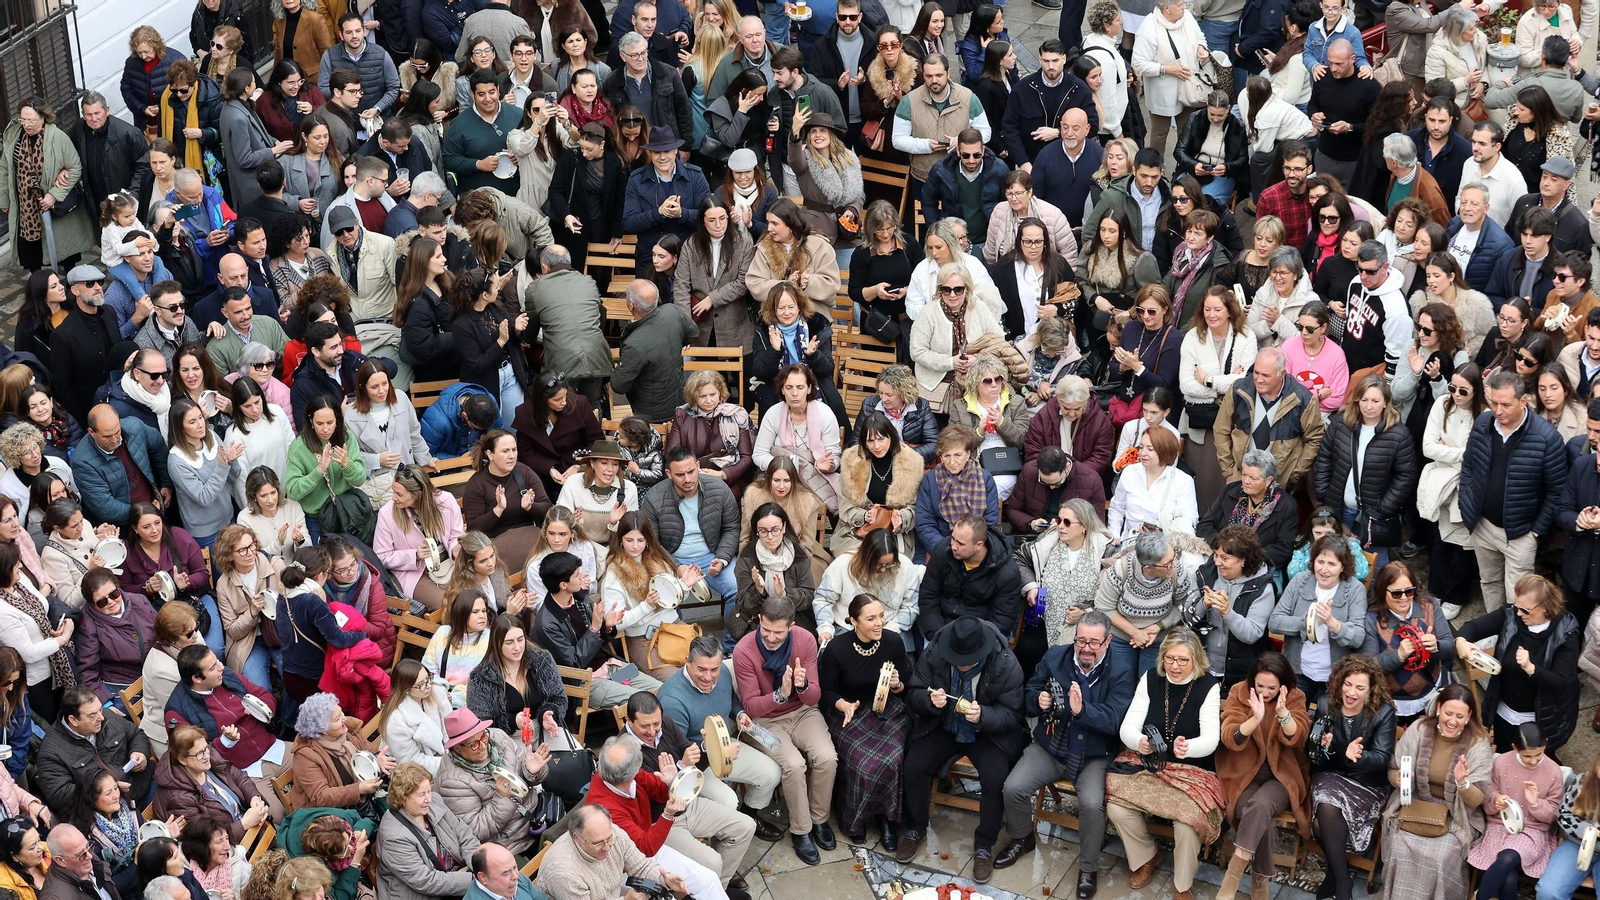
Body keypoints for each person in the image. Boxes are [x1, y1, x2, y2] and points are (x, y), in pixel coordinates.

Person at [992, 608, 1129, 896]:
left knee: (1092, 805)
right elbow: (1028, 690)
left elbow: (1117, 719)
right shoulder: (1056, 655)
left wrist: (1083, 711)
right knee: (1013, 788)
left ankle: (1089, 868)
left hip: (1094, 755)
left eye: (1093, 643)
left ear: (1107, 642)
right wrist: (1037, 699)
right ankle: (1022, 838)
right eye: (1081, 641)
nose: (1086, 648)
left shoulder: (1122, 669)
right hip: (1052, 746)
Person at [1106, 627, 1222, 896]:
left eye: (1183, 660)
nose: (1175, 666)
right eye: (1170, 658)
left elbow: (1211, 739)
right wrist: (1139, 742)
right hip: (1150, 763)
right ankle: (1147, 856)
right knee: (1117, 808)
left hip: (1192, 768)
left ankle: (1183, 885)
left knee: (1187, 823)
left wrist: (1188, 747)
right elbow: (1128, 726)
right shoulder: (1151, 679)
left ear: (1196, 659)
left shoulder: (1208, 686)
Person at [728, 597, 835, 865]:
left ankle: (819, 819)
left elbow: (813, 698)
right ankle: (802, 831)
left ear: (791, 626)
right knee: (794, 764)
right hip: (763, 722)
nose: (771, 637)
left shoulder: (805, 640)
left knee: (826, 757)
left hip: (803, 712)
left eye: (778, 632)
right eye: (766, 630)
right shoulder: (744, 650)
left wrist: (802, 685)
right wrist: (780, 694)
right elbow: (751, 707)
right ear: (759, 622)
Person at [1459, 370, 1568, 614]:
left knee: (1518, 596)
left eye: (1506, 404)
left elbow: (1556, 491)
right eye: (1494, 403)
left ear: (1523, 401)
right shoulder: (1483, 424)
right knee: (1489, 582)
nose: (1499, 411)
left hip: (1521, 533)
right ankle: (1493, 634)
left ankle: (1513, 642)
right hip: (1482, 524)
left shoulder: (1547, 438)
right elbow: (1468, 466)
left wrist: (1536, 533)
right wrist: (1466, 502)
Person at [1375, 682, 1492, 900]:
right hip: (1415, 804)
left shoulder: (1478, 744)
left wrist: (1463, 782)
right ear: (1438, 709)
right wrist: (1399, 779)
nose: (1452, 721)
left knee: (1440, 854)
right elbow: (1393, 769)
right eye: (1448, 713)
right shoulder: (1419, 730)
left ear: (1469, 717)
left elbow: (1478, 799)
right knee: (1400, 845)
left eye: (1459, 716)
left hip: (1457, 815)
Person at [35, 685, 152, 814]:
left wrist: (139, 751)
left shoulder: (107, 717)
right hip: (103, 812)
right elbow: (60, 796)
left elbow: (136, 734)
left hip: (141, 786)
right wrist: (103, 790)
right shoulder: (51, 752)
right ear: (73, 720)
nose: (101, 717)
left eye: (100, 710)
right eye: (92, 715)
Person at [373, 762, 480, 900]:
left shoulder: (434, 801)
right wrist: (474, 880)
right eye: (422, 794)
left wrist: (480, 867)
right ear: (403, 797)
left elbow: (464, 835)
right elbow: (427, 881)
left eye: (429, 790)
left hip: (460, 878)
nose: (428, 799)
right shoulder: (393, 837)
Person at [152, 722, 272, 842]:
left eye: (206, 748)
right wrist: (243, 824)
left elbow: (240, 777)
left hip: (248, 828)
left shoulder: (207, 760)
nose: (206, 755)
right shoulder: (179, 799)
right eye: (199, 753)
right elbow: (205, 840)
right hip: (229, 848)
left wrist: (254, 798)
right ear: (182, 759)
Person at [277, 546, 366, 703]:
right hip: (314, 680)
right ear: (320, 575)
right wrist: (361, 635)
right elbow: (338, 639)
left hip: (289, 672)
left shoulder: (283, 594)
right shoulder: (313, 601)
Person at [289, 692, 396, 811]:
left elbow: (369, 750)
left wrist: (376, 759)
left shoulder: (349, 731)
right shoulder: (305, 755)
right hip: (332, 815)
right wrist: (358, 789)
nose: (344, 719)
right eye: (337, 719)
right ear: (322, 730)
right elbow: (321, 796)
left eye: (342, 713)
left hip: (362, 803)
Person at [76, 570, 156, 708]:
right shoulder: (87, 625)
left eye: (114, 594)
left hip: (155, 674)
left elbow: (163, 634)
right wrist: (105, 703)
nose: (111, 602)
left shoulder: (139, 600)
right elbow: (87, 671)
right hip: (122, 687)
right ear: (92, 603)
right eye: (101, 601)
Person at [1108, 425, 1198, 541]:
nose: (1143, 453)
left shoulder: (1182, 480)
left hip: (1164, 544)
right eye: (1141, 447)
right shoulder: (1130, 472)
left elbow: (1190, 519)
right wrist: (1115, 536)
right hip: (1130, 540)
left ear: (1165, 450)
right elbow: (1117, 508)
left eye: (1150, 449)